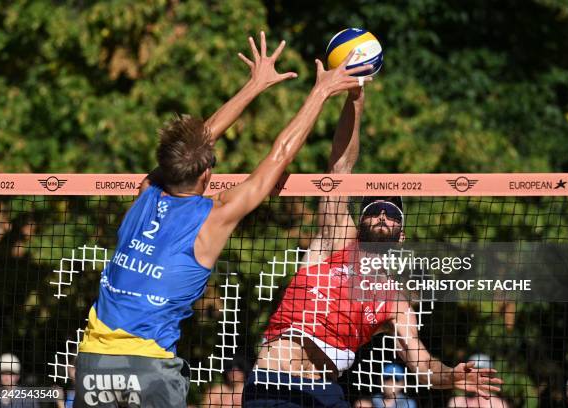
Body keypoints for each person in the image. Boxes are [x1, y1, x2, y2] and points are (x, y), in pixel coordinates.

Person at [74, 30, 371, 408]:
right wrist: (320, 92)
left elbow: (195, 145)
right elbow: (278, 155)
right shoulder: (212, 217)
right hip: (149, 369)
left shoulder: (145, 192)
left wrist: (253, 86)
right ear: (206, 175)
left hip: (94, 363)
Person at [243, 86, 503, 407]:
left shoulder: (395, 302)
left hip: (324, 394)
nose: (382, 214)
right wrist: (356, 97)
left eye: (392, 212)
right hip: (275, 382)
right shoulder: (337, 241)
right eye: (373, 209)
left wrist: (451, 375)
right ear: (361, 220)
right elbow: (340, 168)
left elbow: (422, 365)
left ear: (401, 235)